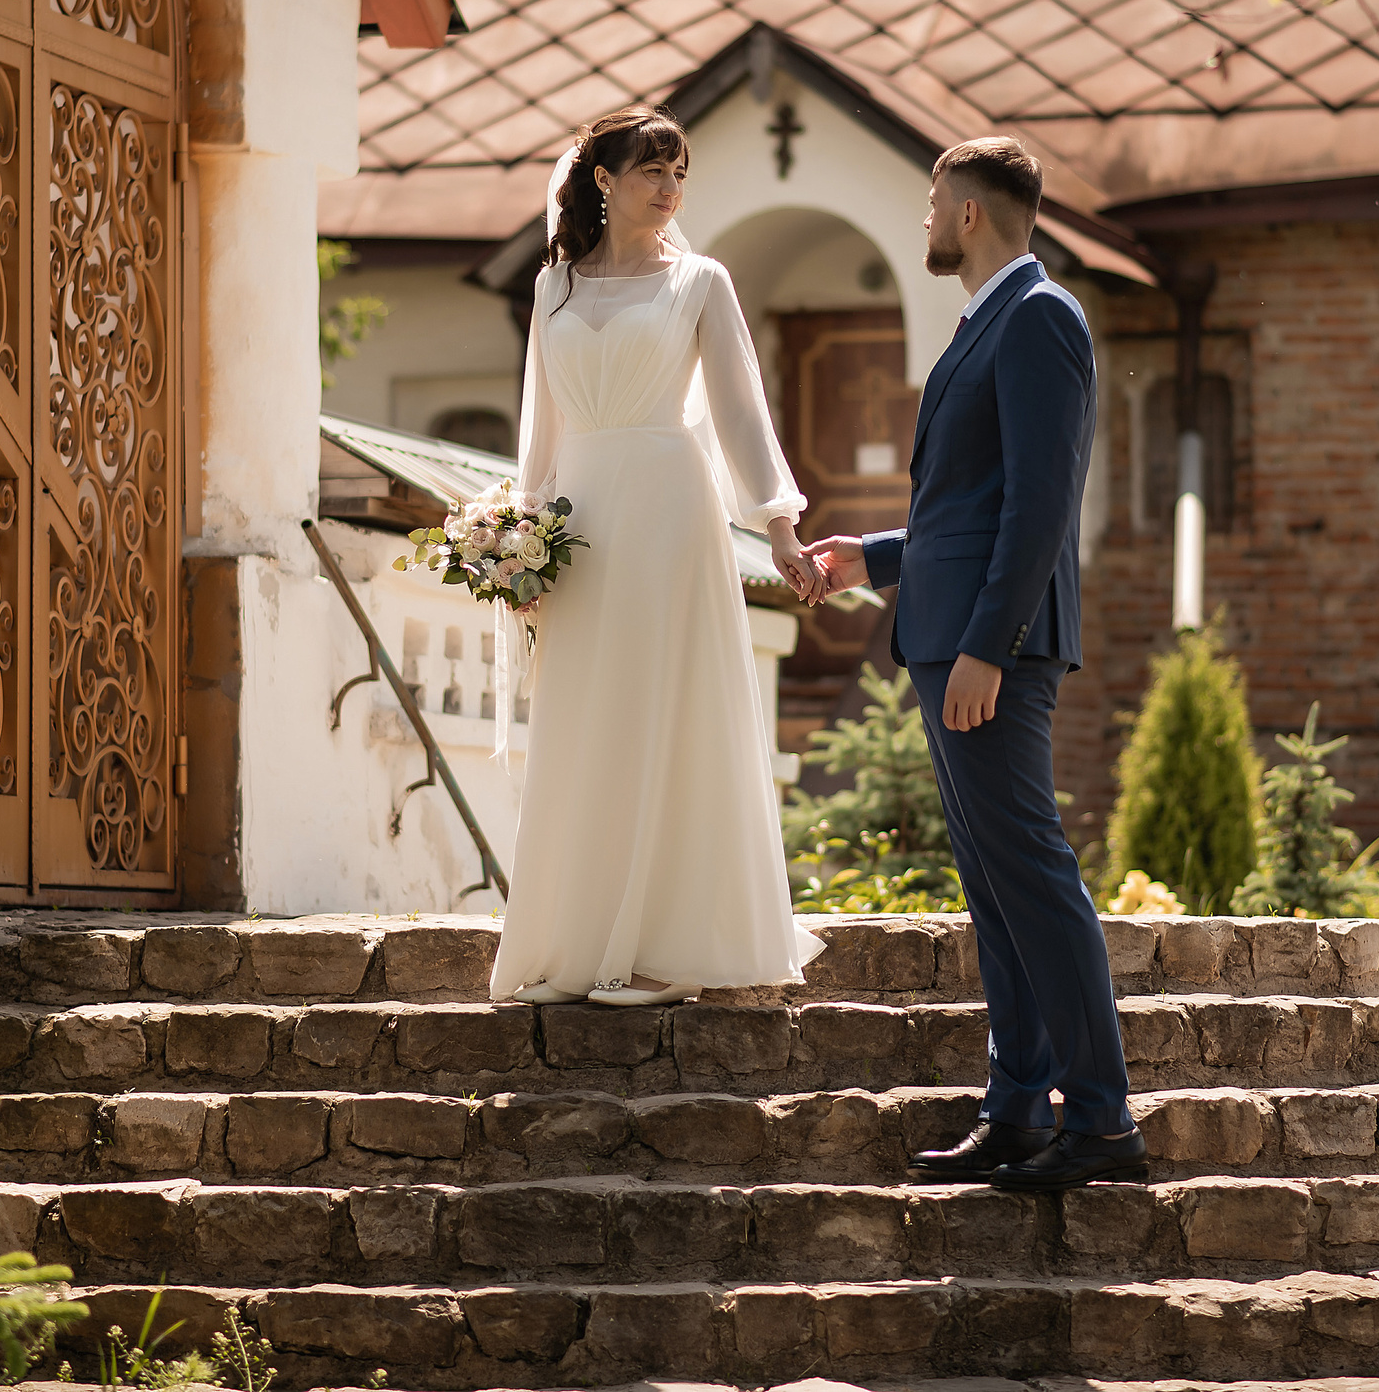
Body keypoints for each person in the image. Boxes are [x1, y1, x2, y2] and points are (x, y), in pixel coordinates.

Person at [807, 137, 1144, 1190]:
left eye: (932, 202)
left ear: (968, 214)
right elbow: (971, 508)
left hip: (988, 650)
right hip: (946, 635)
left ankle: (1101, 1121)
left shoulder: (1040, 315)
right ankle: (1016, 1109)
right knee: (998, 889)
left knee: (1033, 877)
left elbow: (1041, 506)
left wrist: (988, 648)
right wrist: (872, 557)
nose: (923, 219)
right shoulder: (987, 318)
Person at [486, 105, 829, 1010]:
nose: (671, 188)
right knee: (588, 721)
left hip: (673, 517)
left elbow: (741, 413)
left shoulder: (702, 282)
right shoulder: (553, 286)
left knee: (670, 714)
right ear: (603, 179)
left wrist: (780, 524)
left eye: (680, 173)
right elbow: (540, 429)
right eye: (652, 170)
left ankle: (671, 947)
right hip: (581, 521)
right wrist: (520, 546)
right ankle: (578, 943)